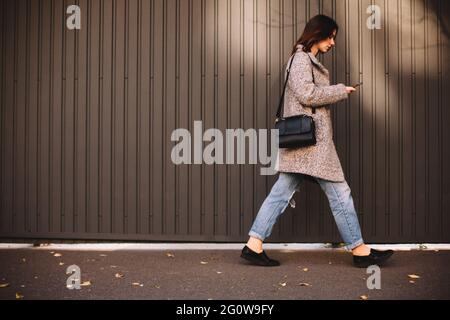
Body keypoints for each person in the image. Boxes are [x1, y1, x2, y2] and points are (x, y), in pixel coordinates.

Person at [240, 14, 394, 268]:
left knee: (282, 192)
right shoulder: (301, 59)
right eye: (330, 36)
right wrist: (339, 91)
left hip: (305, 145)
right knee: (340, 192)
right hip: (311, 144)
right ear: (317, 33)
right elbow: (306, 94)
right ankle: (359, 250)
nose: (333, 42)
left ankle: (253, 244)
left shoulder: (304, 59)